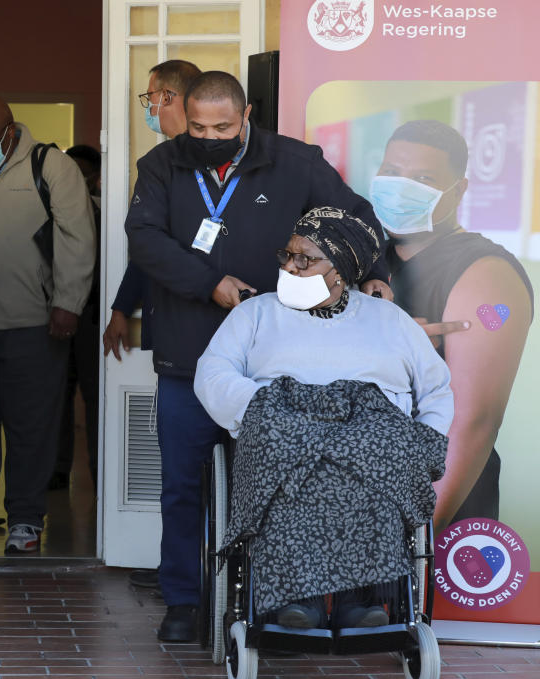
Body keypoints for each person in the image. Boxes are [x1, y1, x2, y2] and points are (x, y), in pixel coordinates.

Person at [125, 70, 392, 642]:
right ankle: (182, 600)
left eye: (223, 126)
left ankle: (280, 599)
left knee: (286, 482)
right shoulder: (162, 164)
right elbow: (144, 239)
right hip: (188, 353)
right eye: (198, 126)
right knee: (181, 485)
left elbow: (358, 220)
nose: (209, 136)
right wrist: (208, 282)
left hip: (282, 355)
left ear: (247, 117)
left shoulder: (295, 162)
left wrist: (373, 275)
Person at [193, 207, 452, 628]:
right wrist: (262, 409)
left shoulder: (388, 320)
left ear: (341, 270)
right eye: (287, 256)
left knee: (375, 457)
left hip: (370, 434)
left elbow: (436, 389)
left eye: (305, 259)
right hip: (285, 429)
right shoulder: (256, 313)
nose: (290, 267)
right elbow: (213, 373)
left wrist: (419, 439)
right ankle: (298, 600)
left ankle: (361, 600)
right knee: (293, 460)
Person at [371, 120, 533, 533]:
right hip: (361, 493)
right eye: (392, 173)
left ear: (457, 191)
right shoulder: (368, 260)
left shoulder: (486, 273)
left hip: (439, 507)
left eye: (423, 179)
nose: (401, 188)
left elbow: (472, 422)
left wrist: (415, 533)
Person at [0, 94, 95, 553]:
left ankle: (26, 521)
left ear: (10, 132)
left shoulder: (52, 167)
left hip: (35, 324)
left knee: (30, 428)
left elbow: (77, 237)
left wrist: (68, 303)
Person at [103, 59, 201, 361]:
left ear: (168, 97)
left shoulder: (217, 160)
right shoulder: (159, 163)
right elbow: (149, 245)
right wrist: (122, 307)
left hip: (207, 317)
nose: (148, 107)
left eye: (150, 97)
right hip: (168, 318)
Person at [53, 144, 102, 491]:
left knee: (96, 396)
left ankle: (102, 475)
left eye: (82, 174)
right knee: (56, 398)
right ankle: (56, 470)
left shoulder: (107, 213)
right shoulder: (51, 210)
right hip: (55, 314)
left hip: (93, 319)